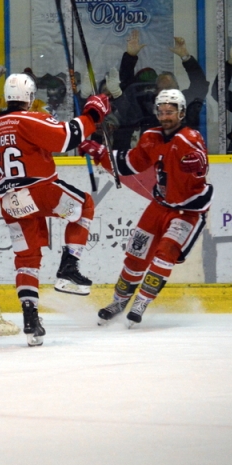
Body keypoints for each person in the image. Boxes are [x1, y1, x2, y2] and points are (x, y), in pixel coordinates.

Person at [0, 73, 110, 346]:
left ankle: (30, 320)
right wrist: (93, 114)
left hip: (9, 200)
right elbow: (65, 138)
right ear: (28, 97)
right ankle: (68, 268)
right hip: (40, 190)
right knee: (84, 205)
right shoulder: (29, 118)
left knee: (27, 257)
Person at [79, 89, 212, 327]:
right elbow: (131, 163)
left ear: (181, 112)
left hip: (188, 211)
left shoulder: (189, 138)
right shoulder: (151, 136)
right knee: (135, 257)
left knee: (165, 253)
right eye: (161, 111)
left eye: (170, 111)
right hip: (159, 206)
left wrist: (198, 166)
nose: (165, 116)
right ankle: (119, 302)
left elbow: (201, 162)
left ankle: (141, 301)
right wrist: (100, 152)